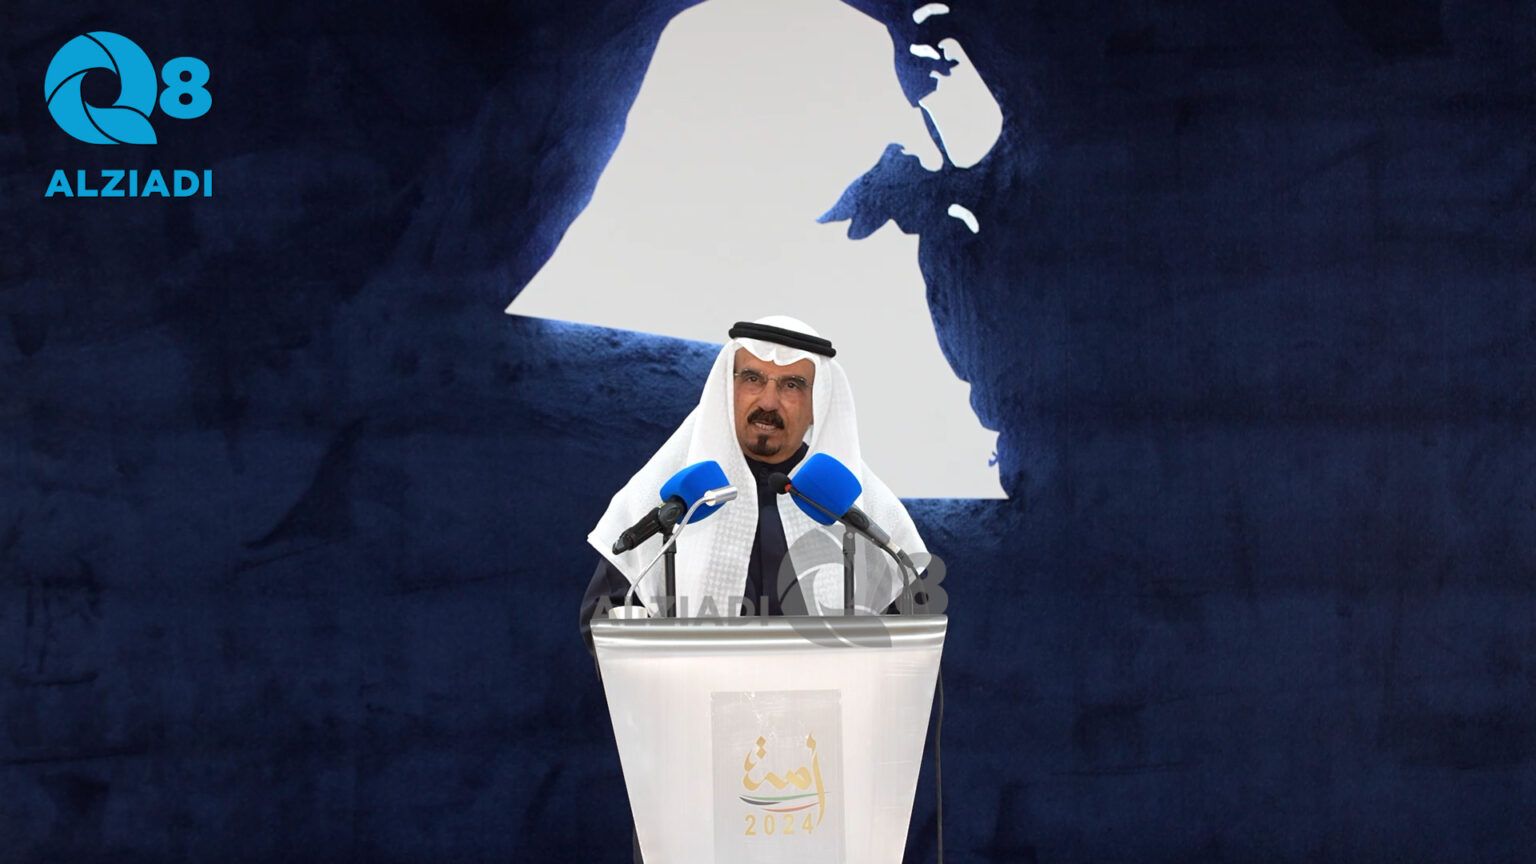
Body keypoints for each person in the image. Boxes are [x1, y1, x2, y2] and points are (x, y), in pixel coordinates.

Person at [579, 316, 928, 648]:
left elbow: (910, 638)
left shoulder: (858, 508)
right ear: (729, 390)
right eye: (752, 379)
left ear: (817, 405)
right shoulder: (675, 497)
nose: (768, 401)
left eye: (791, 385)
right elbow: (604, 619)